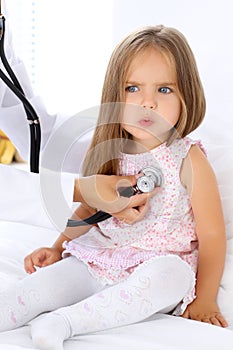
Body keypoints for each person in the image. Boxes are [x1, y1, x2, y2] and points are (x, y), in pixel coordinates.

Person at [0, 25, 228, 350]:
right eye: (133, 88)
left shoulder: (188, 159)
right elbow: (90, 207)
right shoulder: (113, 150)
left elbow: (212, 235)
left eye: (164, 90)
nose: (147, 103)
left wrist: (205, 299)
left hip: (157, 261)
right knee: (41, 285)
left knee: (173, 278)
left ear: (186, 95)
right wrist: (57, 246)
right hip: (102, 254)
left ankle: (64, 322)